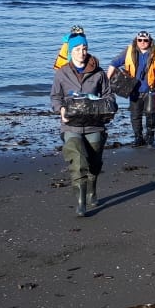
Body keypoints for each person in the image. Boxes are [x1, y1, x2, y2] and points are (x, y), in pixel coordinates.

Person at [49, 29, 109, 217]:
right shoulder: (61, 73)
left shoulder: (99, 73)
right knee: (77, 161)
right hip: (71, 125)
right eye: (77, 49)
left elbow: (108, 96)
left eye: (84, 48)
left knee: (94, 162)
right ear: (70, 51)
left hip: (94, 125)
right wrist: (61, 110)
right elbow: (55, 97)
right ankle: (81, 202)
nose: (81, 52)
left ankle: (92, 190)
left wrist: (107, 108)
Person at [106, 31, 155, 147]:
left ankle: (150, 136)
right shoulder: (129, 51)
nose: (142, 43)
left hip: (150, 89)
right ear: (136, 40)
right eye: (140, 40)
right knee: (135, 115)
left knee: (151, 114)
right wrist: (106, 81)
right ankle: (138, 137)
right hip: (134, 90)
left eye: (145, 40)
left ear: (150, 41)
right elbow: (114, 63)